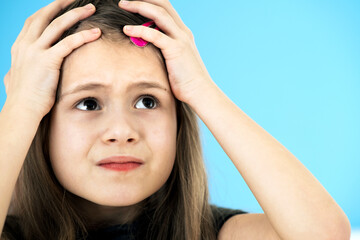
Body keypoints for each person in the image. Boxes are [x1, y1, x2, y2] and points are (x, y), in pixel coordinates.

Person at [0, 0, 351, 239]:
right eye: (89, 104)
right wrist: (21, 106)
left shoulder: (211, 233)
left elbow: (324, 234)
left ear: (180, 120)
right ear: (40, 122)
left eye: (147, 100)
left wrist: (201, 89)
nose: (122, 132)